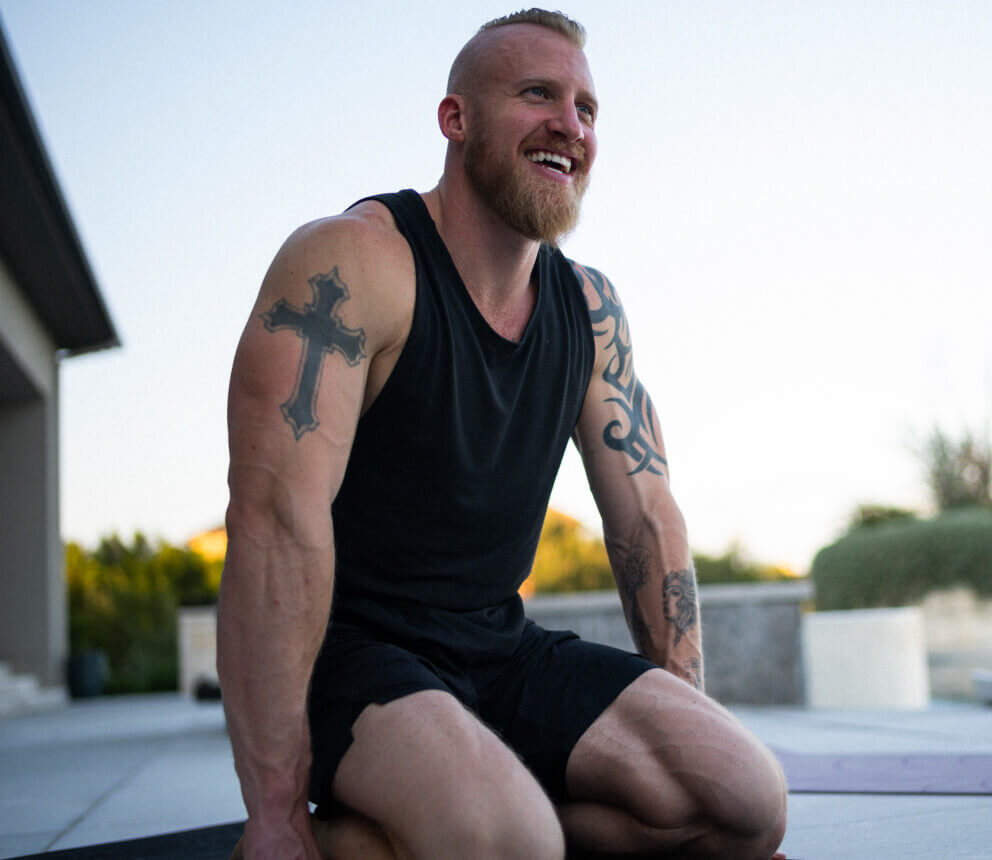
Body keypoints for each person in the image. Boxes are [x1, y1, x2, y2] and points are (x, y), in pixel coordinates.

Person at [218, 9, 788, 859]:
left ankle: (468, 825)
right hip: (352, 653)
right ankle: (365, 835)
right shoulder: (353, 263)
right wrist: (272, 819)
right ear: (457, 119)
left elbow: (646, 517)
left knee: (744, 802)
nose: (570, 125)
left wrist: (679, 717)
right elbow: (272, 523)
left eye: (586, 108)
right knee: (513, 842)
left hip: (500, 647)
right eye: (537, 95)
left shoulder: (590, 308)